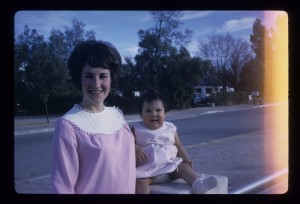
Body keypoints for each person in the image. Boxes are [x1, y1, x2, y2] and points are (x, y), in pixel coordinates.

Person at [51, 40, 136, 194]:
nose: (96, 84)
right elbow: (62, 187)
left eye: (103, 76)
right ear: (79, 79)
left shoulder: (117, 114)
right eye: (89, 76)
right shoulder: (68, 126)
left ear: (111, 78)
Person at [131, 89, 218, 194]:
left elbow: (179, 145)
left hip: (170, 168)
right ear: (141, 114)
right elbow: (126, 144)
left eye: (158, 110)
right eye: (148, 111)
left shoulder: (170, 128)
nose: (153, 114)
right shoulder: (137, 129)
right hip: (148, 172)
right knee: (140, 182)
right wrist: (135, 147)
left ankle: (198, 184)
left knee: (184, 168)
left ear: (165, 113)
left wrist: (186, 158)